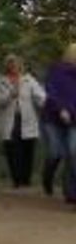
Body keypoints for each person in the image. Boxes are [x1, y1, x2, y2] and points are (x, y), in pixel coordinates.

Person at [0, 54, 46, 188]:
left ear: (20, 65)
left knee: (28, 149)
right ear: (6, 66)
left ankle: (26, 180)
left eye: (15, 64)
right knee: (12, 149)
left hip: (27, 119)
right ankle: (16, 180)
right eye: (10, 64)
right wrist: (9, 96)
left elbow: (40, 96)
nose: (13, 66)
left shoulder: (28, 80)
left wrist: (49, 105)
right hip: (9, 120)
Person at [43, 44, 76, 202]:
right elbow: (51, 91)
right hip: (54, 118)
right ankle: (47, 176)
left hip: (74, 119)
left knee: (73, 153)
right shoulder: (57, 71)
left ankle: (71, 193)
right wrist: (61, 109)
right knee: (57, 152)